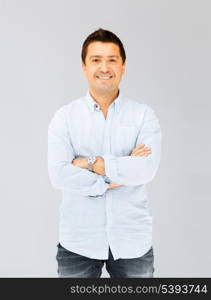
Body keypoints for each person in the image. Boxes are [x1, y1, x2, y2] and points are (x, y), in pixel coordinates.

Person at [48, 28, 162, 278]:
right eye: (96, 60)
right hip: (78, 242)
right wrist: (120, 173)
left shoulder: (143, 115)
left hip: (132, 240)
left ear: (123, 65)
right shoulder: (65, 117)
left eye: (112, 59)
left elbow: (146, 169)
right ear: (84, 66)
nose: (104, 67)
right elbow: (59, 174)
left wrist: (87, 163)